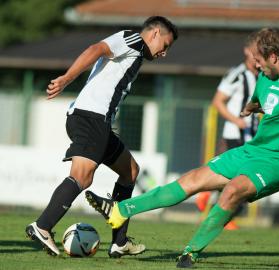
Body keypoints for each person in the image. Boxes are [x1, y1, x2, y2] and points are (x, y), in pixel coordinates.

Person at [85, 28, 279, 268]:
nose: (257, 69)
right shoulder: (266, 77)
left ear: (275, 57)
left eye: (260, 63)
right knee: (193, 179)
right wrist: (252, 107)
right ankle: (118, 211)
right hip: (254, 149)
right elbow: (266, 99)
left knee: (233, 190)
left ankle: (190, 253)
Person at [25, 16, 178, 257]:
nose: (164, 53)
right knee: (81, 178)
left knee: (130, 172)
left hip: (98, 123)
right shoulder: (132, 39)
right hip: (91, 119)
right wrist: (67, 78)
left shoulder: (136, 52)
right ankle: (42, 226)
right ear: (155, 33)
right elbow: (96, 49)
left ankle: (119, 242)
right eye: (166, 45)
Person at [195, 33, 259, 230]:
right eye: (256, 50)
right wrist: (237, 120)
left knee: (242, 179)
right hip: (235, 133)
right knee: (238, 177)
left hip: (251, 134)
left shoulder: (262, 75)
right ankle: (209, 194)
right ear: (247, 51)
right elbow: (217, 101)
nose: (259, 55)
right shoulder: (237, 74)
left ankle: (216, 204)